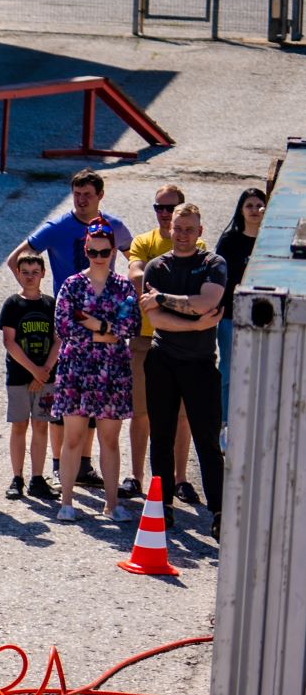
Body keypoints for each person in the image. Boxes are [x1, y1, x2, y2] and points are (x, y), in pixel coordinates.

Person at [17, 169, 131, 492]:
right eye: (77, 194)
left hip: (103, 321)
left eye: (88, 195)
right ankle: (57, 466)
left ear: (100, 196)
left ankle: (83, 466)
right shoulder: (57, 226)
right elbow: (18, 258)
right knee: (62, 402)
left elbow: (135, 259)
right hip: (65, 319)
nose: (81, 200)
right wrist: (32, 295)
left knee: (93, 404)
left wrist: (136, 291)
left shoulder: (114, 228)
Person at [138, 202, 227, 536]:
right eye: (178, 228)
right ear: (169, 229)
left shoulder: (212, 264)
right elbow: (155, 318)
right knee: (161, 438)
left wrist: (163, 299)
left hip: (201, 366)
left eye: (190, 229)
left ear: (200, 232)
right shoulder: (156, 267)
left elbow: (208, 303)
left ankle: (218, 513)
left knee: (207, 441)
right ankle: (163, 509)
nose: (184, 234)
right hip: (163, 361)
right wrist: (194, 324)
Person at [48, 223, 140, 524]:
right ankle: (67, 501)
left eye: (103, 251)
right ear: (85, 250)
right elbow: (64, 326)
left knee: (109, 440)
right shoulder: (72, 285)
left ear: (113, 251)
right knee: (72, 438)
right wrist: (105, 330)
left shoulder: (124, 286)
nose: (98, 256)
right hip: (77, 369)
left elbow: (129, 326)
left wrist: (92, 323)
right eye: (92, 251)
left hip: (112, 372)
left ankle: (111, 505)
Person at [125, 184, 187, 503]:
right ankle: (136, 477)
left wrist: (157, 292)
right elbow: (136, 277)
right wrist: (174, 292)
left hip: (179, 340)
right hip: (143, 339)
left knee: (179, 414)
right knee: (141, 412)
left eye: (169, 208)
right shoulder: (143, 241)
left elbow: (147, 282)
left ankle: (180, 479)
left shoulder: (197, 243)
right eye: (158, 208)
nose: (163, 214)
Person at [0, 250, 59, 501]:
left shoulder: (51, 304)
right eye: (25, 273)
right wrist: (35, 371)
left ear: (43, 273)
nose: (30, 277)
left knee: (41, 425)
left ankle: (37, 477)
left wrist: (44, 372)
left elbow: (59, 339)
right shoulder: (13, 303)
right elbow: (9, 342)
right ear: (18, 274)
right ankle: (17, 477)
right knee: (19, 425)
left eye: (35, 272)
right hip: (20, 376)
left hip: (46, 378)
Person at [216, 186, 267, 422]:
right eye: (249, 205)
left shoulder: (272, 241)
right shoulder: (229, 241)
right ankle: (224, 422)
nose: (254, 210)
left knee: (260, 372)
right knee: (227, 370)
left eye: (259, 205)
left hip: (264, 317)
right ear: (241, 210)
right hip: (230, 316)